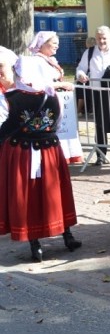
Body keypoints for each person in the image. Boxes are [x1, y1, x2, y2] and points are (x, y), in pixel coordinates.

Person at [0, 56, 82, 262]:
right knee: (56, 192)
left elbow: (4, 124)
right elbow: (58, 121)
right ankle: (67, 236)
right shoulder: (52, 95)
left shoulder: (10, 97)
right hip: (50, 151)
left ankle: (35, 244)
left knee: (29, 195)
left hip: (22, 152)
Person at [27, 31, 83, 164]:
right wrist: (62, 84)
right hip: (45, 102)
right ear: (43, 44)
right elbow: (40, 84)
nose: (57, 46)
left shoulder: (49, 60)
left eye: (58, 43)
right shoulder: (37, 61)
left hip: (56, 100)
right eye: (54, 43)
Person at [76, 26, 110, 165]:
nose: (101, 41)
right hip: (97, 93)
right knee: (100, 125)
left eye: (104, 38)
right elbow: (80, 68)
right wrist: (81, 75)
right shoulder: (89, 52)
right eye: (99, 38)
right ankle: (101, 156)